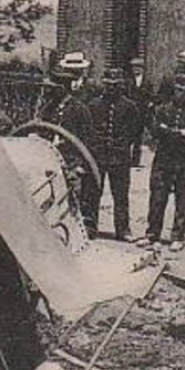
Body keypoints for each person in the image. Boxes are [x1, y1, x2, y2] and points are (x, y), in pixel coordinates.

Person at [64, 66, 141, 240]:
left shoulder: (130, 107)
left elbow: (135, 130)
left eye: (116, 84)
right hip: (97, 157)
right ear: (103, 84)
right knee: (92, 193)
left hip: (120, 158)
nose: (112, 87)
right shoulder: (94, 105)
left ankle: (123, 230)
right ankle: (90, 227)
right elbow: (88, 130)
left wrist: (122, 146)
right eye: (108, 84)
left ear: (121, 85)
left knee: (120, 195)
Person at [139, 72, 185, 251]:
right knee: (157, 198)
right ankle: (152, 234)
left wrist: (169, 131)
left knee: (182, 200)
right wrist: (179, 133)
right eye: (178, 90)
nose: (180, 94)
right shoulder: (163, 110)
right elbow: (155, 131)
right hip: (164, 159)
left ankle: (178, 236)